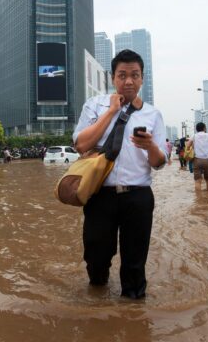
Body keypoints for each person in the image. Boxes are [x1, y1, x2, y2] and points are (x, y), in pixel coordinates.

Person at [73, 49, 168, 299]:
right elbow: (81, 145)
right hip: (99, 195)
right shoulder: (94, 105)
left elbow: (159, 163)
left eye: (134, 75)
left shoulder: (153, 114)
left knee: (135, 264)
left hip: (138, 196)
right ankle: (97, 296)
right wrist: (111, 112)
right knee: (96, 256)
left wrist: (151, 147)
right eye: (122, 75)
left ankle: (133, 314)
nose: (128, 81)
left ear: (142, 78)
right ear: (113, 78)